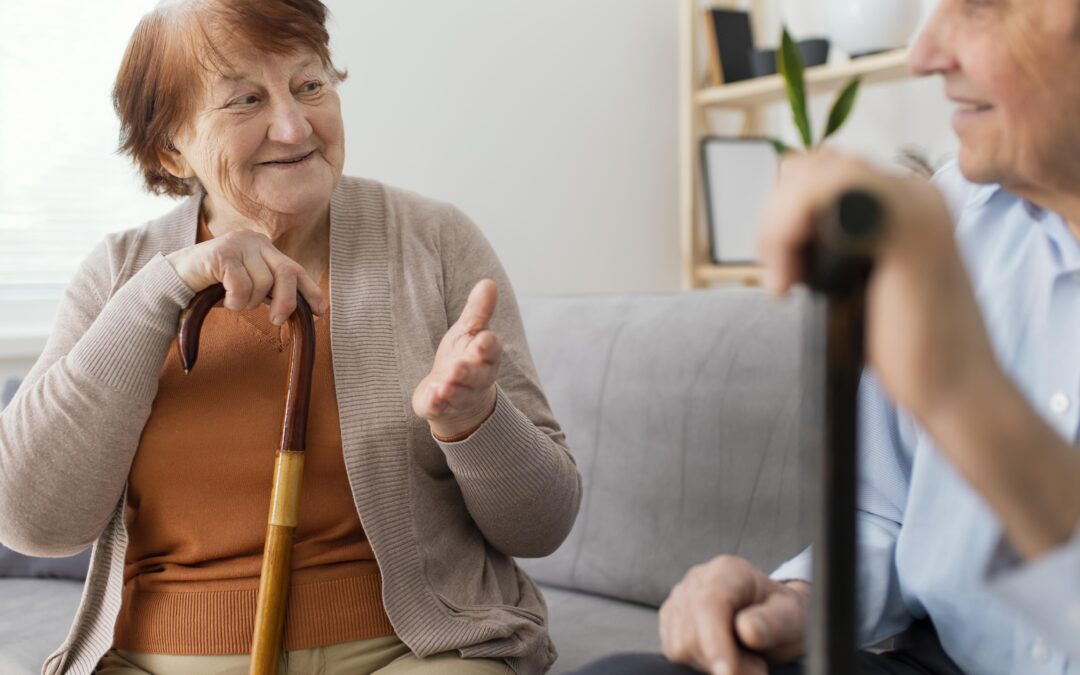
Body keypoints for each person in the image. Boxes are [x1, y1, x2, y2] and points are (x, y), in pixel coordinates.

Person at [0, 1, 581, 674]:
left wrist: (473, 421)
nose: (294, 124)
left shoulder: (433, 241)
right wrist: (165, 288)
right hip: (157, 659)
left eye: (310, 85)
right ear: (170, 146)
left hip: (414, 652)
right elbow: (30, 521)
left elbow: (544, 525)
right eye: (245, 100)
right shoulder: (121, 272)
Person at [576, 0, 1080, 674]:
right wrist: (798, 599)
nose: (922, 53)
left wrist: (963, 394)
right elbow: (885, 515)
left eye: (982, 6)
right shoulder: (953, 219)